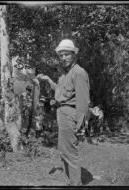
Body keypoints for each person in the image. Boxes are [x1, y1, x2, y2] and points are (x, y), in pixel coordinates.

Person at [37, 39, 90, 185]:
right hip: (62, 113)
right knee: (63, 151)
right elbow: (61, 92)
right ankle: (70, 182)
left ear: (74, 55)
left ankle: (75, 184)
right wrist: (48, 80)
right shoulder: (64, 74)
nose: (64, 58)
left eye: (67, 54)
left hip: (70, 115)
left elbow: (83, 101)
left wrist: (80, 126)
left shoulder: (79, 73)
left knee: (70, 152)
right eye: (61, 55)